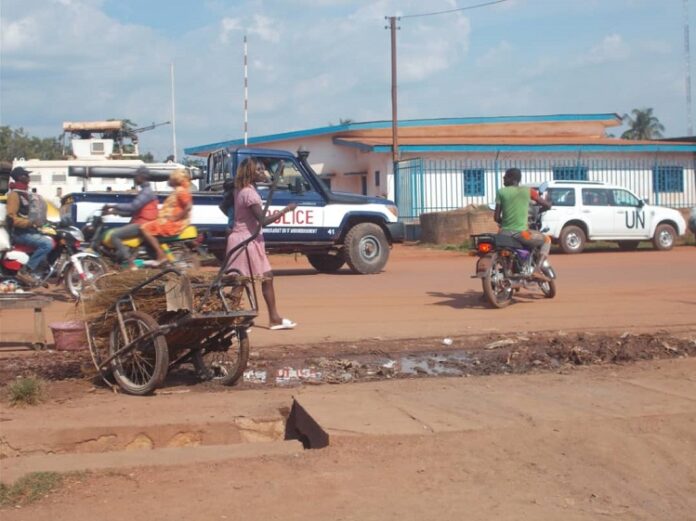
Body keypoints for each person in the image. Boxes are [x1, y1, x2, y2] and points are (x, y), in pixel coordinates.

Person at [225, 158, 296, 330]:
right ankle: (230, 321)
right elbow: (263, 220)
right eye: (259, 170)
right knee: (240, 283)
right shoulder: (249, 194)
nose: (262, 173)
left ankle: (274, 318)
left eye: (263, 169)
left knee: (267, 277)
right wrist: (286, 210)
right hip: (245, 242)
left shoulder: (243, 190)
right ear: (250, 173)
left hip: (249, 240)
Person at [494, 168, 552, 280]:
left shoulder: (501, 192)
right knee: (547, 240)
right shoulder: (528, 191)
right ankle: (537, 270)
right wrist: (547, 205)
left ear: (512, 178)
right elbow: (546, 205)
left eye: (505, 177)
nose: (503, 179)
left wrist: (505, 223)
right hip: (521, 234)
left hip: (503, 233)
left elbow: (496, 217)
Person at [5, 167, 54, 285]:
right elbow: (11, 218)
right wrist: (29, 223)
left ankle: (40, 271)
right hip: (19, 233)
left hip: (29, 230)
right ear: (20, 177)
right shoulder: (14, 195)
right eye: (26, 175)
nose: (28, 177)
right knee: (47, 244)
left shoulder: (25, 193)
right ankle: (26, 271)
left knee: (51, 237)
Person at [103, 166, 158, 269]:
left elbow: (133, 206)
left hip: (143, 224)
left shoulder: (146, 192)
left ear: (142, 177)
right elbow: (134, 211)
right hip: (141, 221)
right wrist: (114, 212)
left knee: (114, 235)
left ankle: (130, 262)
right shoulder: (144, 191)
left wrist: (113, 205)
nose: (135, 178)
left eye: (136, 176)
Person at [139, 168, 193, 265]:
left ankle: (160, 255)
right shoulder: (178, 190)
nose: (169, 180)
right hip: (168, 222)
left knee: (144, 228)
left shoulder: (181, 191)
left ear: (176, 179)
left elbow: (188, 207)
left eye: (171, 178)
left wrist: (176, 218)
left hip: (173, 224)